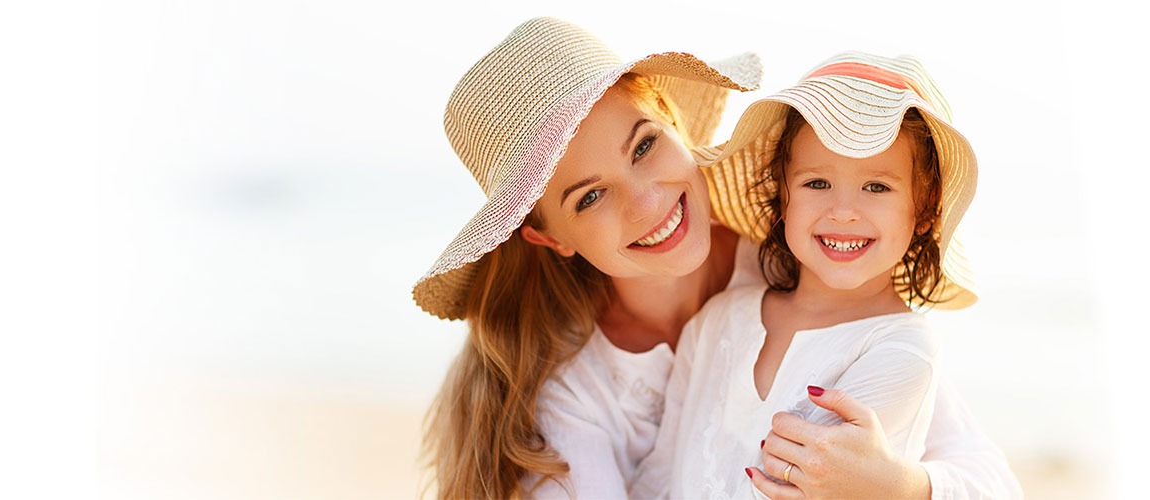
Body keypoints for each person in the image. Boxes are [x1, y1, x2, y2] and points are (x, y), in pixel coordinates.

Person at [413, 17, 1020, 499]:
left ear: (676, 126)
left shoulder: (814, 270)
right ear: (550, 237)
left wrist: (904, 488)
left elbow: (989, 478)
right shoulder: (574, 387)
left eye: (645, 145)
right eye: (591, 196)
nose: (646, 201)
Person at [632, 52, 982, 499]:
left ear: (925, 210)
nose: (843, 211)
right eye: (817, 183)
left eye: (877, 186)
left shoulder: (902, 349)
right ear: (783, 198)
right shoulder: (717, 318)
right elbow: (659, 477)